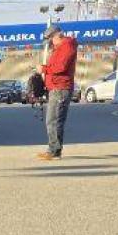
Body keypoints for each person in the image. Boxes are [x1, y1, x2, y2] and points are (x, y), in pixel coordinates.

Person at [37, 24, 76, 160]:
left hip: (60, 88)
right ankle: (53, 149)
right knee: (53, 120)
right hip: (56, 87)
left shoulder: (66, 46)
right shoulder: (60, 47)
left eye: (51, 39)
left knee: (53, 121)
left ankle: (54, 151)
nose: (50, 42)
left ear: (57, 35)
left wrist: (44, 69)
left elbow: (61, 67)